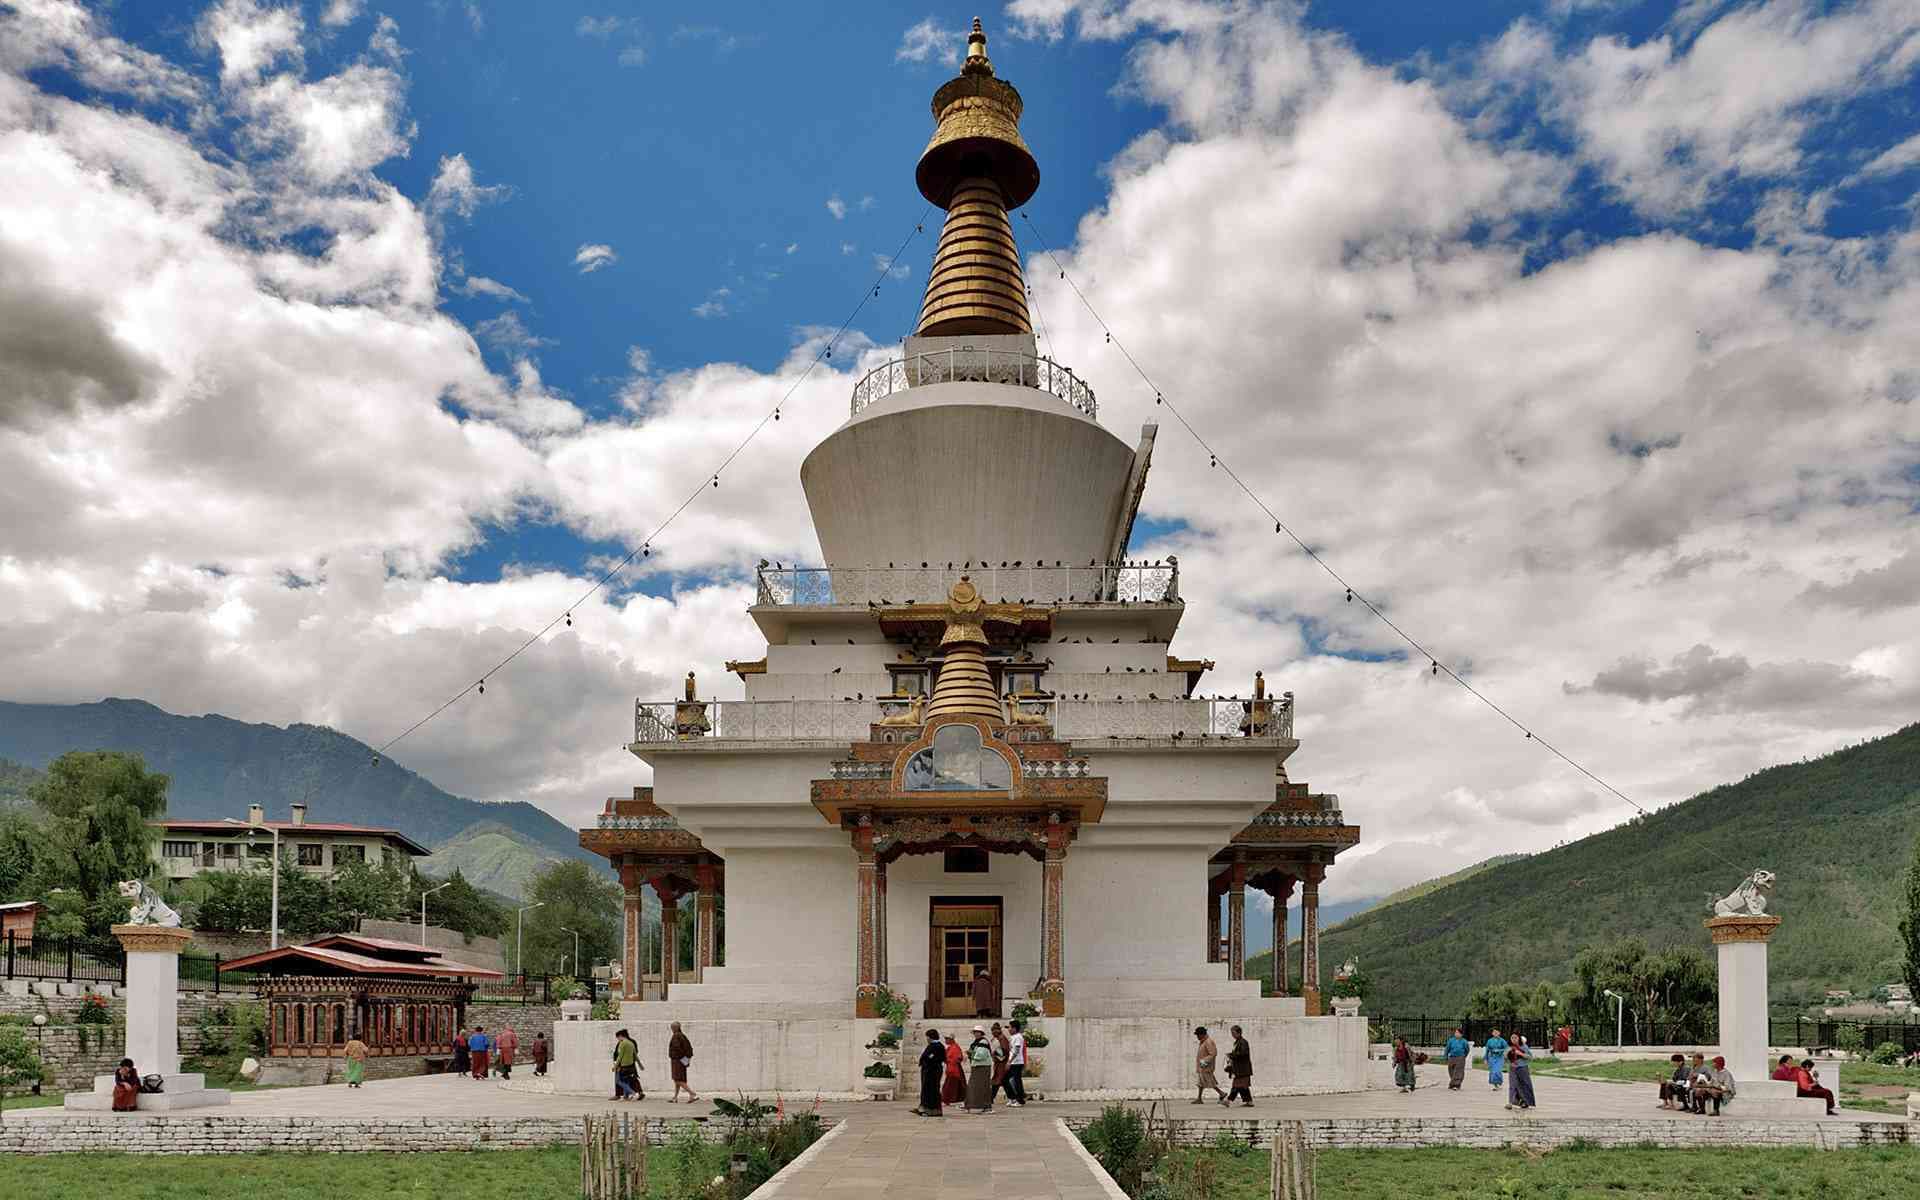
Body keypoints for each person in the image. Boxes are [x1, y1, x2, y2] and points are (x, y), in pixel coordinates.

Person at [914, 1028, 946, 1117]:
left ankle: (932, 1110)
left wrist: (927, 1060)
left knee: (932, 1089)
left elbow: (932, 1057)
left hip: (933, 1071)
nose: (927, 1039)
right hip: (928, 1071)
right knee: (926, 1089)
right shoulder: (933, 1045)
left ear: (931, 1037)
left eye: (927, 1037)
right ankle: (923, 1107)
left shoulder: (937, 1046)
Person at [1193, 1026, 1227, 1105]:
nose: (1197, 1037)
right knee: (1200, 1083)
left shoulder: (1208, 1042)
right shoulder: (1203, 1042)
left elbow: (1213, 1054)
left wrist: (1204, 1062)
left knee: (1210, 1082)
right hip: (1202, 1067)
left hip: (1206, 1067)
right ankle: (1199, 1098)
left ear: (1202, 1034)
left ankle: (1221, 1093)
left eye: (1198, 1035)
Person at [965, 1025, 995, 1112]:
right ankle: (975, 1105)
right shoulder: (977, 1042)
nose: (975, 1034)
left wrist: (971, 1054)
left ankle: (985, 1106)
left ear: (981, 1033)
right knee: (975, 1087)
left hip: (982, 1067)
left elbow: (981, 1055)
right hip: (978, 1066)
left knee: (982, 1087)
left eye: (977, 1032)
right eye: (974, 1032)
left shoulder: (983, 1042)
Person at [1504, 1036, 1536, 1110]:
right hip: (1513, 1068)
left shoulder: (1524, 1047)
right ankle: (1510, 1102)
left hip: (1523, 1068)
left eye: (1515, 1038)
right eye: (1512, 1038)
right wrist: (1506, 1054)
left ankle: (1525, 1102)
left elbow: (1530, 1057)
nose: (1513, 1039)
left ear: (1519, 1038)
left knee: (1524, 1085)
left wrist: (1520, 1053)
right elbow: (1505, 1058)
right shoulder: (1509, 1047)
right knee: (1513, 1085)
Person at [668, 1021, 697, 1103]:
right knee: (678, 1079)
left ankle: (692, 1094)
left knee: (678, 1079)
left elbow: (677, 1048)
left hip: (677, 1060)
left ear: (675, 1028)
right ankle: (675, 1098)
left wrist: (681, 1057)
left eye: (672, 1027)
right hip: (682, 1060)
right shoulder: (683, 1036)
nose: (672, 1029)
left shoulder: (676, 1036)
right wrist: (686, 1059)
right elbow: (689, 1049)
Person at [1225, 1025, 1253, 1107]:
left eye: (1233, 1033)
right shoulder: (1237, 1042)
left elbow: (1243, 1054)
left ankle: (1228, 1100)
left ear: (1239, 1033)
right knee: (1243, 1087)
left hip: (1242, 1068)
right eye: (1231, 1033)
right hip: (1240, 1068)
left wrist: (1232, 1055)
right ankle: (1249, 1101)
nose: (1232, 1035)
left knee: (1236, 1085)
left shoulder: (1243, 1042)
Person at [612, 1028, 643, 1100]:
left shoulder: (622, 1043)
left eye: (618, 1037)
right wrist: (640, 1065)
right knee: (628, 1080)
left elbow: (620, 1056)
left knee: (619, 1081)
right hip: (631, 1065)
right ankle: (626, 1096)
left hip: (623, 1065)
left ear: (621, 1036)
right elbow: (635, 1055)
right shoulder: (632, 1043)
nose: (618, 1039)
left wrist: (615, 1066)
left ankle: (632, 1093)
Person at [1003, 1018, 1027, 1107]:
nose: (1008, 1029)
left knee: (1017, 1081)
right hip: (1013, 1062)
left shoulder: (1018, 1037)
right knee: (1005, 1080)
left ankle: (1020, 1100)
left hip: (1016, 1062)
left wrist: (1009, 1061)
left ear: (1014, 1028)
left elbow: (1016, 1051)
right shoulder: (1013, 1037)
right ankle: (1012, 1098)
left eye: (1009, 1027)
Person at [941, 1034, 965, 1106]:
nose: (945, 1040)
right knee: (951, 1085)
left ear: (951, 1040)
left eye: (947, 1039)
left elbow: (958, 1058)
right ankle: (948, 1100)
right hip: (950, 1069)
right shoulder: (950, 1048)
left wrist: (947, 1059)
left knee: (950, 1086)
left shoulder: (955, 1047)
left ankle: (947, 1100)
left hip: (954, 1069)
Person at [990, 1021, 1011, 1100]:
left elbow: (1004, 1051)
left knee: (998, 1080)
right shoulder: (997, 1038)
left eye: (995, 1030)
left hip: (1002, 1063)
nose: (993, 1032)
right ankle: (1012, 1097)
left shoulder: (1002, 1038)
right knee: (1003, 1081)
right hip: (998, 1063)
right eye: (992, 1030)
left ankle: (991, 1097)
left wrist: (994, 1052)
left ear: (999, 1030)